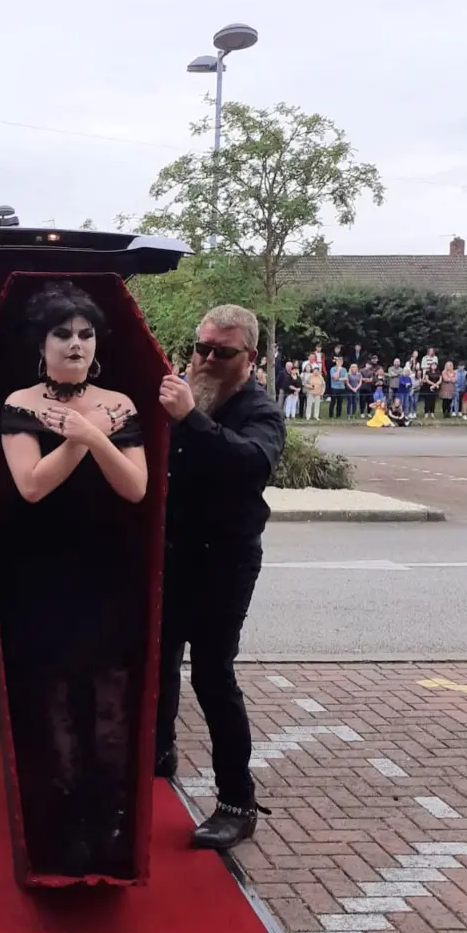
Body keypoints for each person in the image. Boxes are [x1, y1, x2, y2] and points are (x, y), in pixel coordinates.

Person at [0, 281, 147, 877]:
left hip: (107, 568)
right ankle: (65, 826)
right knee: (54, 694)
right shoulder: (21, 403)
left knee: (110, 695)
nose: (75, 344)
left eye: (85, 334)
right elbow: (31, 485)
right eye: (62, 334)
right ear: (42, 343)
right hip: (44, 568)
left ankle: (109, 822)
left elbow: (135, 487)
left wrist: (91, 434)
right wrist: (82, 438)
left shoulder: (119, 403)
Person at [156, 304, 286, 851]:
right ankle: (158, 751)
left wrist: (192, 419)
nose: (207, 359)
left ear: (250, 357)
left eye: (222, 352)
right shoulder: (184, 393)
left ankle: (237, 802)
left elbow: (250, 464)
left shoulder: (260, 410)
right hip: (172, 555)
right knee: (157, 659)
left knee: (212, 677)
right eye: (201, 347)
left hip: (224, 561)